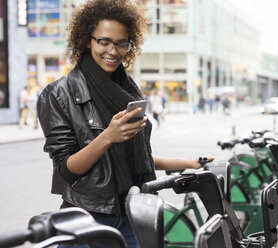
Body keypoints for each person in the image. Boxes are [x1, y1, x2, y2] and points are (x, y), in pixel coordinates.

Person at [36, 1, 212, 247]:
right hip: (88, 220)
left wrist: (190, 163)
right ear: (88, 40)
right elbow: (66, 169)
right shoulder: (58, 94)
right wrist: (107, 136)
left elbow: (138, 158)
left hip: (134, 212)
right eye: (104, 41)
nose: (114, 51)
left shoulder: (127, 90)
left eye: (121, 43)